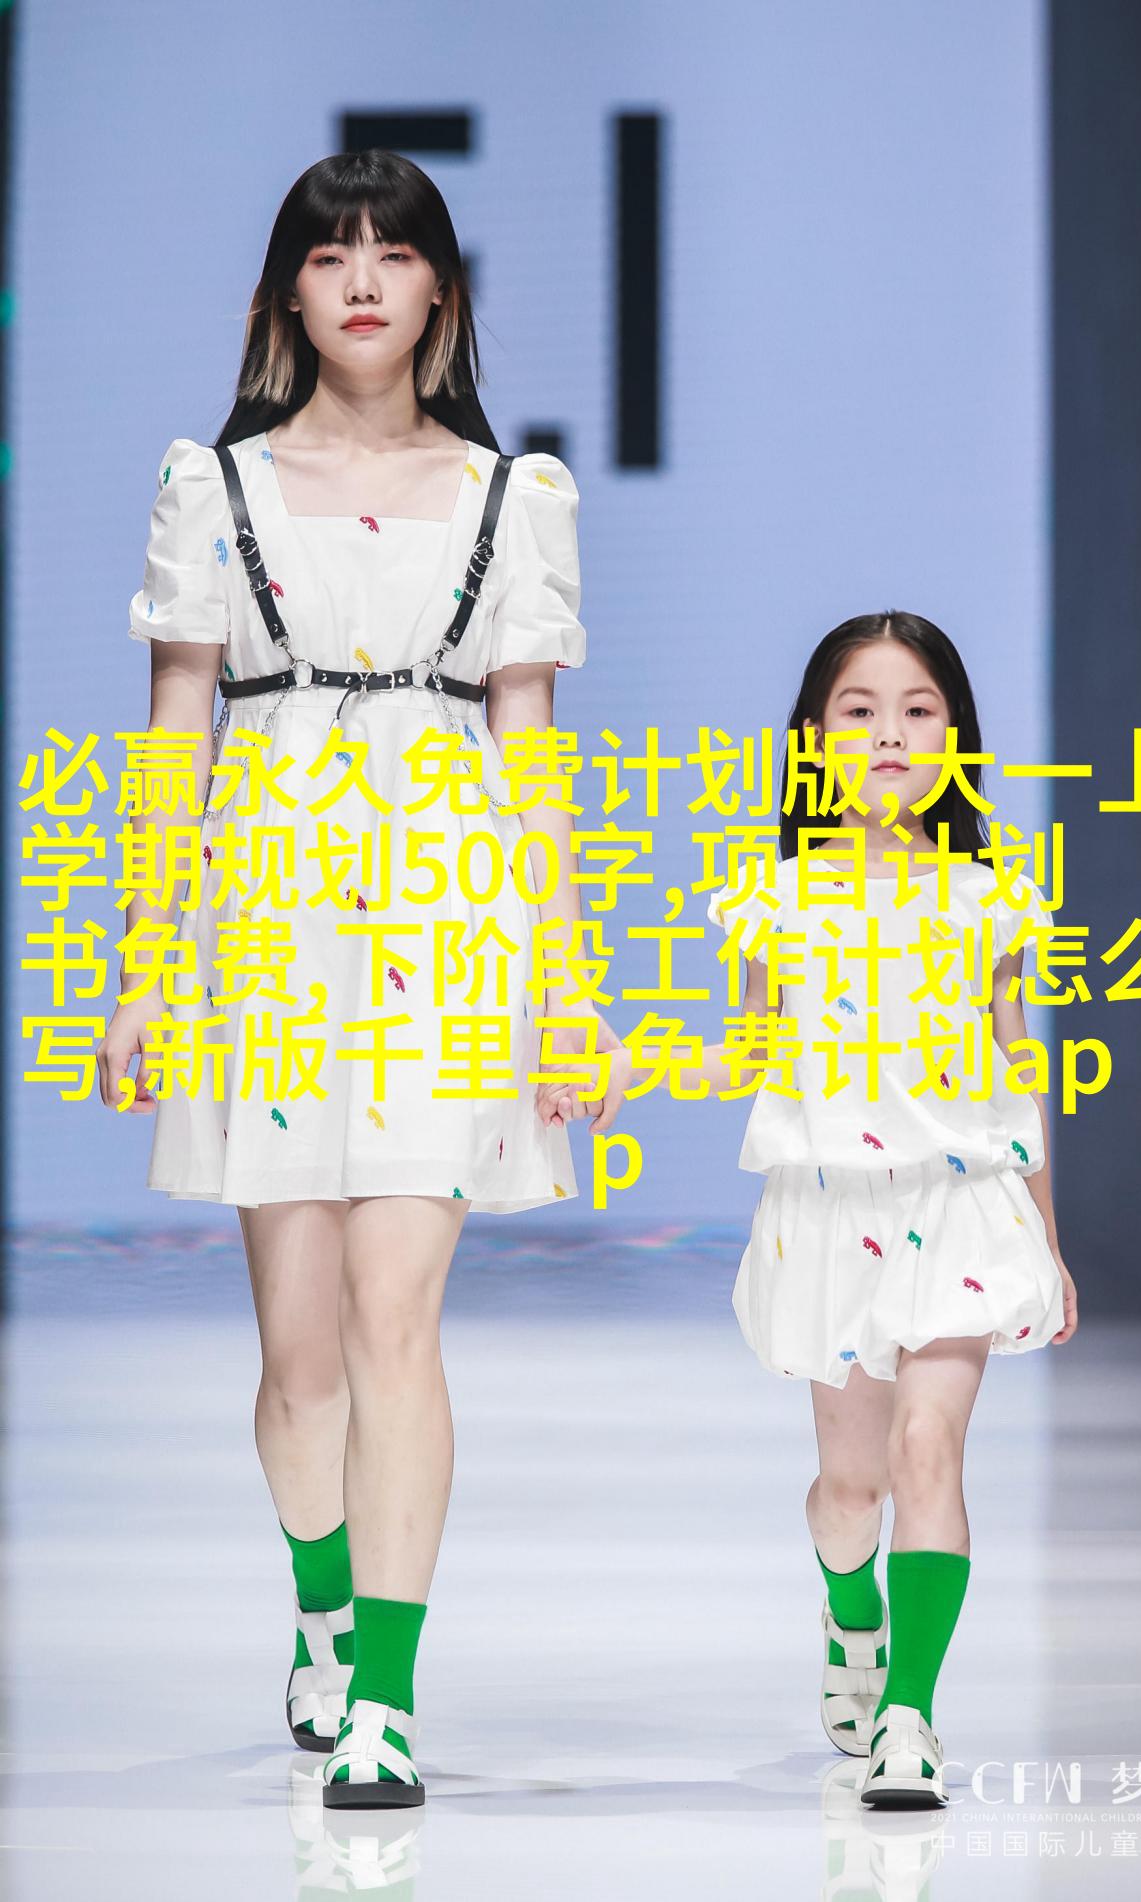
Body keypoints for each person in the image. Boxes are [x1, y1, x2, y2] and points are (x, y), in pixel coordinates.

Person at [96, 149, 621, 1809]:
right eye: (334, 257)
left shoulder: (513, 497)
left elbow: (530, 754)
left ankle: (383, 1695)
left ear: (442, 293)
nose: (366, 280)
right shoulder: (215, 488)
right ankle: (322, 1600)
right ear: (285, 298)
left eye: (396, 254)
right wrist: (143, 961)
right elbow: (174, 737)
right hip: (266, 923)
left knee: (401, 1323)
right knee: (300, 1354)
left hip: (448, 925)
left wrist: (567, 981)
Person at [573, 610, 1079, 1809]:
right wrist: (632, 1063)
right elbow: (751, 1050)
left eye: (917, 710)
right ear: (810, 737)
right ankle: (851, 1612)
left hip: (961, 1208)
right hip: (829, 1213)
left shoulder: (989, 897)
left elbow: (1015, 1071)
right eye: (858, 710)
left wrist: (1047, 1243)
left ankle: (908, 1715)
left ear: (954, 737)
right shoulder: (776, 899)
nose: (889, 734)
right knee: (849, 1495)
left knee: (926, 1450)